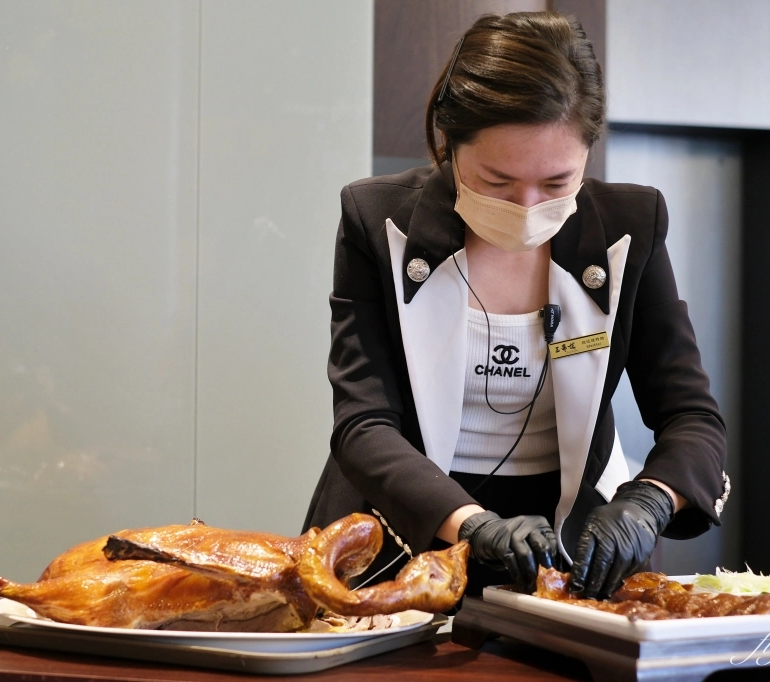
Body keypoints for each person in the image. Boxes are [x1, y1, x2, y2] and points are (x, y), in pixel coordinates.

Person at [303, 11, 728, 600]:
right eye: (497, 182)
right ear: (448, 145)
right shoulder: (378, 221)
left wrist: (649, 500)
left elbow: (691, 418)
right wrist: (472, 526)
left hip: (563, 555)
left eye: (556, 183)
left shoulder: (631, 227)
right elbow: (363, 424)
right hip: (398, 544)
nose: (527, 205)